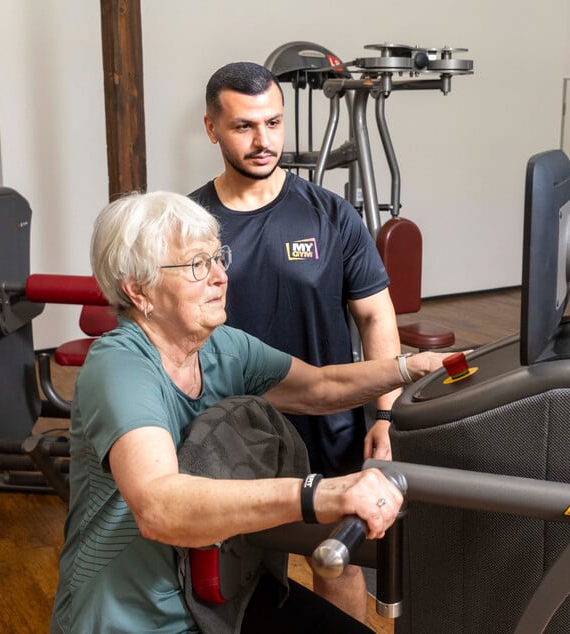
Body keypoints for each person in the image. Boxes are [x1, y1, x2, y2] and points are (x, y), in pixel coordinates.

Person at [49, 191, 448, 633]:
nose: (221, 276)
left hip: (221, 599)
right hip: (135, 617)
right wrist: (319, 494)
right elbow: (159, 506)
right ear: (138, 290)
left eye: (217, 258)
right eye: (197, 265)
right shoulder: (121, 365)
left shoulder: (221, 348)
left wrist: (413, 368)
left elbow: (320, 387)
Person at [189, 61, 401, 621]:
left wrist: (385, 415)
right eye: (244, 126)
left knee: (337, 563)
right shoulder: (190, 225)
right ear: (211, 128)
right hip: (229, 431)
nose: (263, 141)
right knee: (230, 571)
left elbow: (375, 315)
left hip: (326, 428)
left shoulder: (329, 214)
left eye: (273, 123)